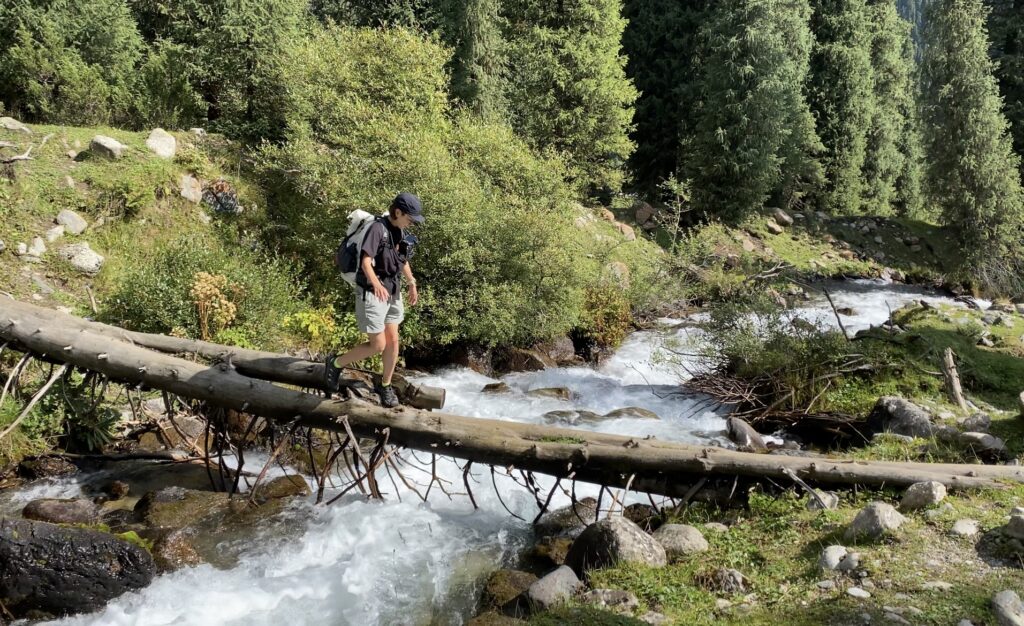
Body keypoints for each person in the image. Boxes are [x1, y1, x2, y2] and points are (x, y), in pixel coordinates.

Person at [324, 192, 424, 407]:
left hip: (392, 290)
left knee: (394, 340)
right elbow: (366, 262)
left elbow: (402, 260)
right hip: (372, 290)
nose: (412, 223)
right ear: (398, 212)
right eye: (410, 218)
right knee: (378, 345)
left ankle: (385, 385)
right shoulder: (377, 229)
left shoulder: (400, 231)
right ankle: (335, 362)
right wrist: (377, 284)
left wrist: (412, 283)